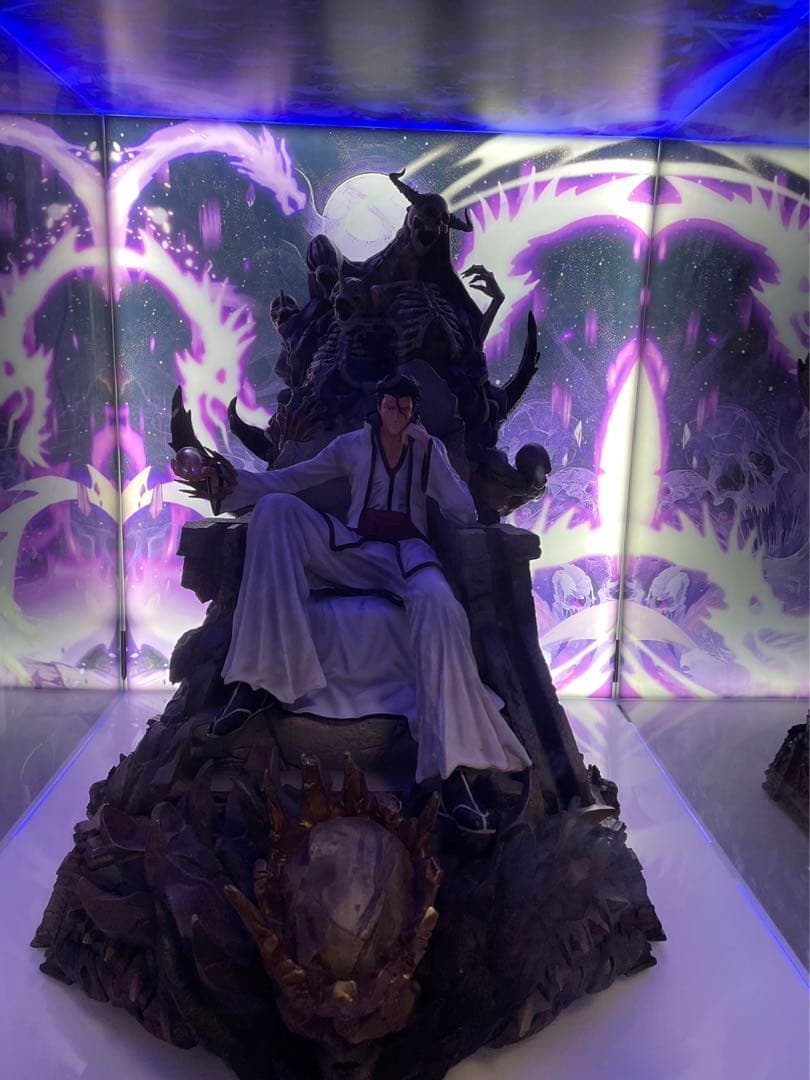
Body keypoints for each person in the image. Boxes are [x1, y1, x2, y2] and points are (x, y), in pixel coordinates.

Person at [173, 373, 530, 830]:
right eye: (390, 405)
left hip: (408, 555)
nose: (396, 414)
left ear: (413, 411)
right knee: (276, 511)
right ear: (380, 406)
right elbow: (292, 478)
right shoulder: (353, 446)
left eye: (405, 407)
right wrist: (228, 484)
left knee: (441, 605)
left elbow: (462, 510)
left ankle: (451, 771)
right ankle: (262, 681)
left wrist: (434, 456)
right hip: (355, 548)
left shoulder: (428, 451)